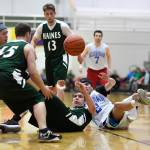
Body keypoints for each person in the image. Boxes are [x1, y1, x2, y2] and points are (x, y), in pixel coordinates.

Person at [0, 23, 61, 142]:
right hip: (10, 76)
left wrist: (40, 86)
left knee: (22, 98)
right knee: (37, 99)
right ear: (28, 34)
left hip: (6, 78)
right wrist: (43, 88)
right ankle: (44, 132)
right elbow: (33, 73)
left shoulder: (3, 47)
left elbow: (24, 76)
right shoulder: (28, 47)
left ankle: (13, 122)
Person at [31, 3, 73, 97]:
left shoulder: (62, 26)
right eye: (47, 14)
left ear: (55, 13)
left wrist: (78, 54)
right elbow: (34, 40)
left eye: (51, 13)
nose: (49, 16)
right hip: (49, 59)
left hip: (61, 57)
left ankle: (62, 110)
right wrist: (32, 51)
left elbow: (73, 40)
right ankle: (55, 108)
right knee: (51, 87)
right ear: (44, 15)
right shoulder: (42, 27)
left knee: (60, 84)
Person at [80, 74, 150, 130]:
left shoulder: (97, 91)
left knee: (136, 95)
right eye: (82, 86)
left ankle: (139, 100)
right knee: (117, 105)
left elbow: (113, 83)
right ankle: (139, 102)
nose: (84, 86)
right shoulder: (82, 102)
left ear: (92, 87)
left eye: (86, 84)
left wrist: (108, 79)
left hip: (123, 113)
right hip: (109, 121)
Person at [28, 81, 95, 132]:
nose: (76, 98)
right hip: (59, 126)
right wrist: (60, 88)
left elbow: (93, 109)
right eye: (75, 96)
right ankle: (17, 118)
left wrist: (84, 91)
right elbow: (58, 104)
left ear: (85, 101)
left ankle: (26, 78)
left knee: (47, 94)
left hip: (71, 123)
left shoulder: (86, 110)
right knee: (34, 102)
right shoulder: (70, 109)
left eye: (80, 97)